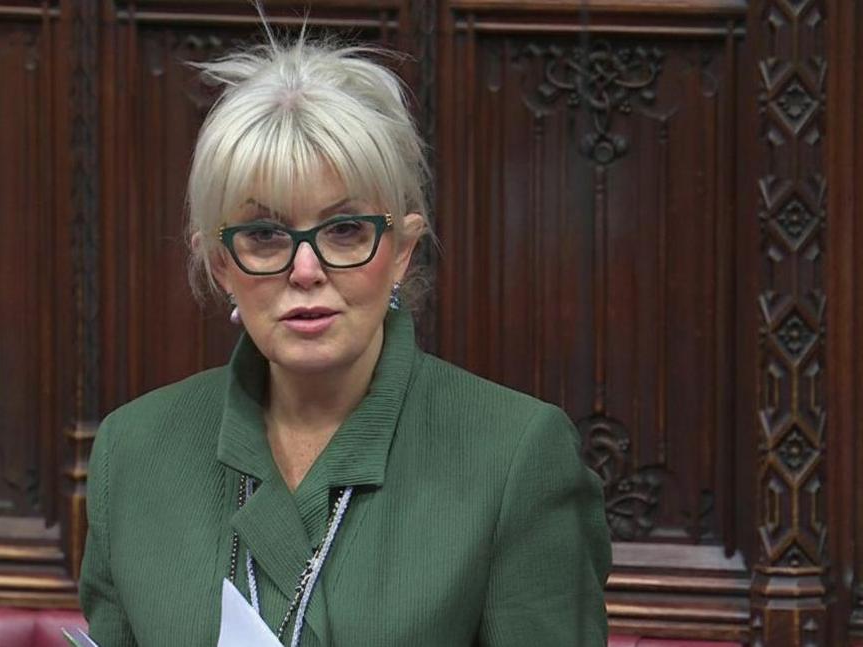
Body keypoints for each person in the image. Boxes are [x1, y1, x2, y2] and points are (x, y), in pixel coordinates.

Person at [79, 25, 611, 647]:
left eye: (344, 230)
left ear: (401, 250)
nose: (306, 271)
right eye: (265, 235)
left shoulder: (517, 456)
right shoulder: (134, 452)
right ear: (221, 265)